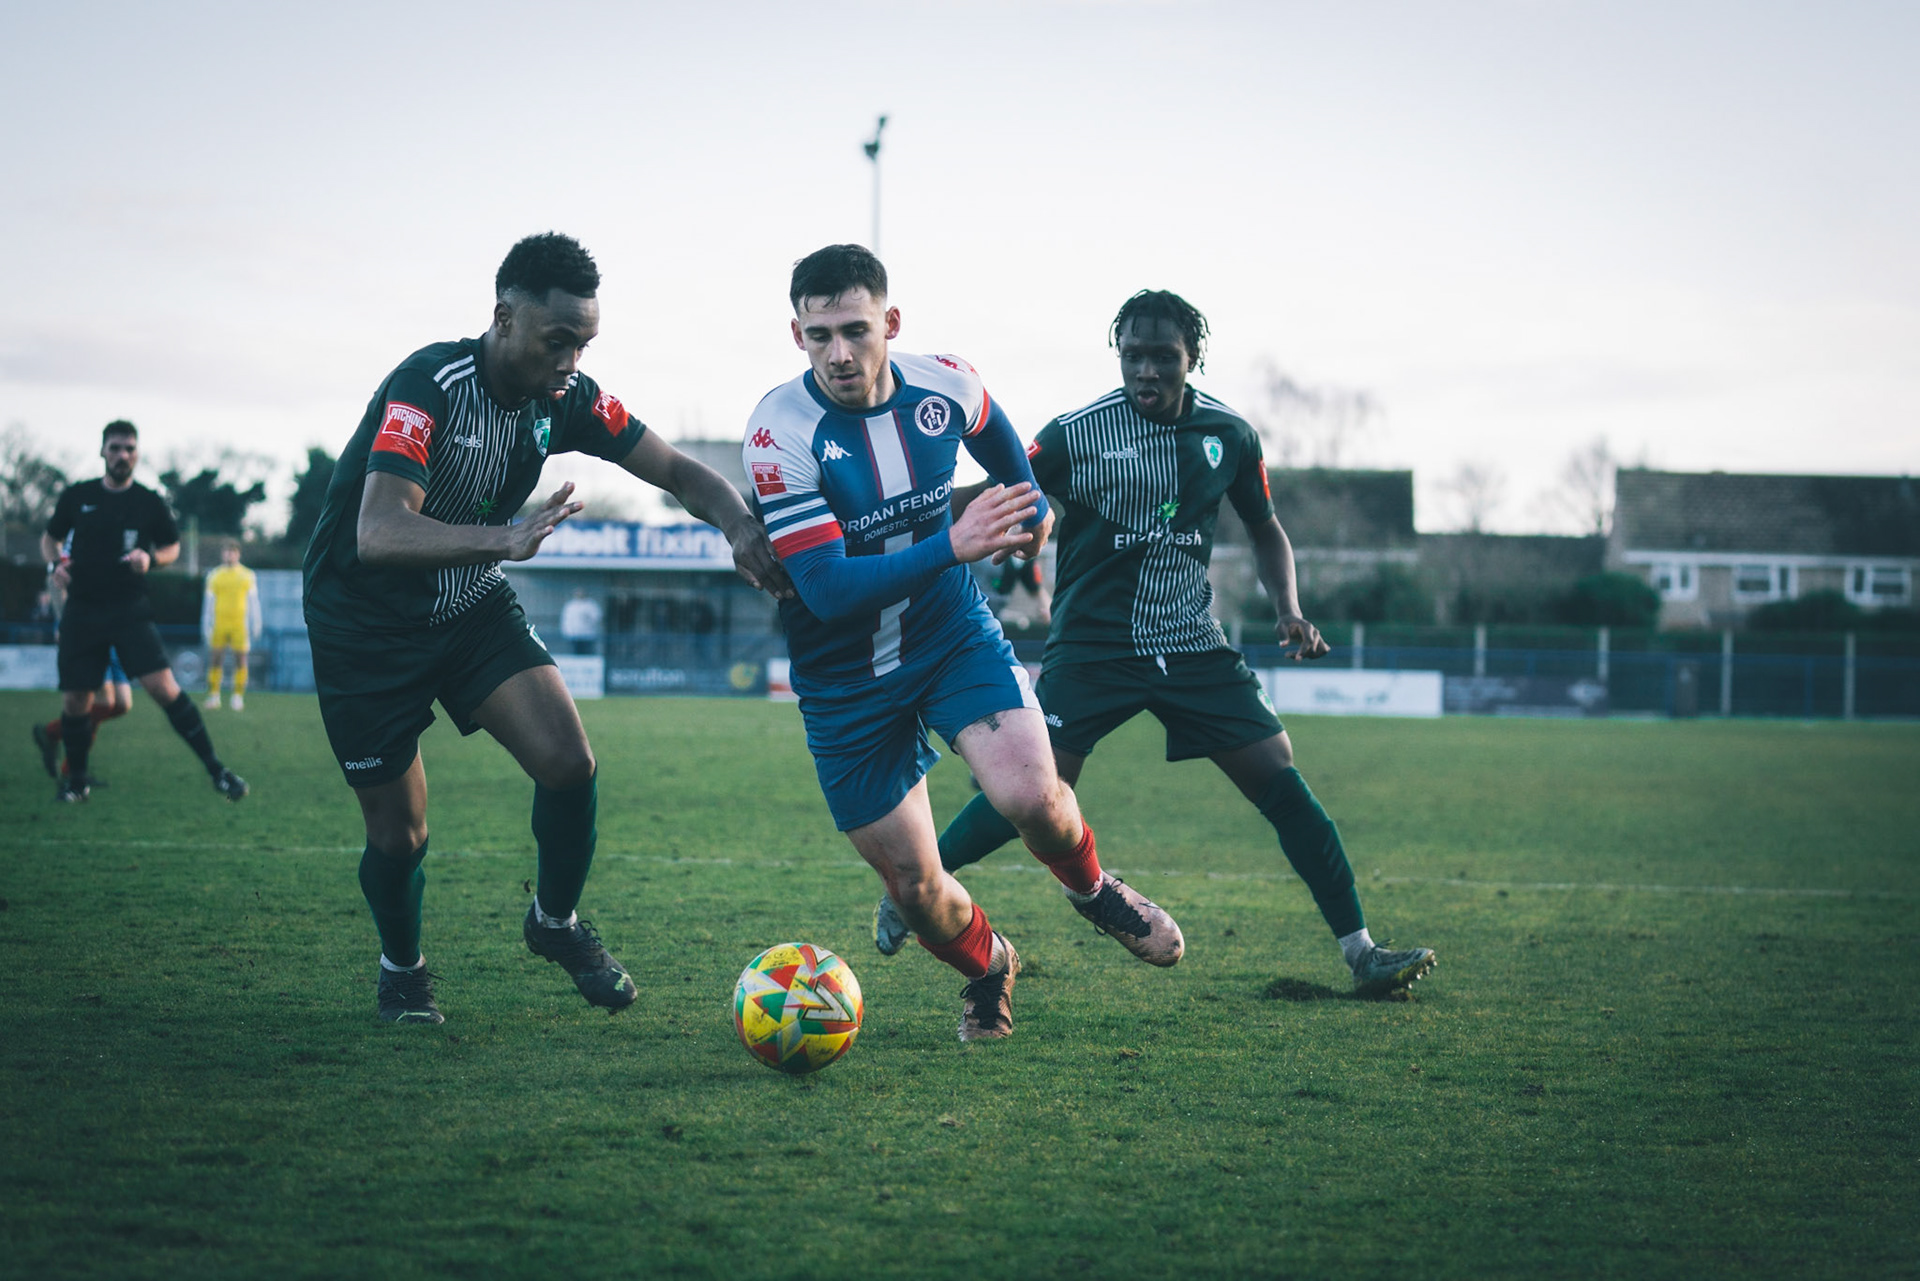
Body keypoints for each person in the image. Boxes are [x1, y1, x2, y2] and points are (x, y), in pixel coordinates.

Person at [303, 232, 790, 1026]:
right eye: (557, 340)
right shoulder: (427, 386)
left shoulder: (566, 399)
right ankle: (403, 969)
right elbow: (378, 531)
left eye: (584, 343)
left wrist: (737, 525)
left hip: (467, 604)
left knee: (569, 762)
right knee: (400, 836)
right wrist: (505, 539)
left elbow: (674, 468)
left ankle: (554, 924)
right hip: (367, 628)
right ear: (504, 320)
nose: (571, 360)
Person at [891, 290, 1436, 998]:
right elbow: (1001, 488)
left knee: (1279, 774)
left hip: (1190, 640)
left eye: (1163, 358)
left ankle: (1362, 952)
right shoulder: (1074, 434)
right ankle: (921, 881)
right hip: (1093, 645)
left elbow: (1264, 526)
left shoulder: (1229, 435)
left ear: (1193, 359)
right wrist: (917, 528)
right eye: (1133, 357)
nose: (1146, 371)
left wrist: (1289, 608)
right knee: (1035, 789)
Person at [743, 245, 1184, 1044]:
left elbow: (1004, 448)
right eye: (818, 336)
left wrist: (1029, 514)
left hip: (950, 635)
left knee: (1033, 798)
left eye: (855, 329)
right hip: (844, 679)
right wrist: (957, 541)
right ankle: (989, 966)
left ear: (892, 323)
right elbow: (827, 591)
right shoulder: (780, 434)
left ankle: (1094, 891)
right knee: (916, 888)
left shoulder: (946, 383)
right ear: (797, 335)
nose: (838, 353)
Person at [40, 421, 248, 804]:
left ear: (137, 454)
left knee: (165, 689)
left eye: (129, 448)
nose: (122, 455)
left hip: (129, 610)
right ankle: (77, 782)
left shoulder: (149, 501)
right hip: (83, 610)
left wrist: (149, 559)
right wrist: (56, 565)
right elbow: (49, 539)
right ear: (103, 451)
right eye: (116, 447)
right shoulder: (78, 496)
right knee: (76, 701)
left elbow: (171, 547)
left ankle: (218, 771)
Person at [33, 648, 132, 785]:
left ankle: (52, 731)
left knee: (121, 705)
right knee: (103, 704)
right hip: (94, 639)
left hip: (116, 642)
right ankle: (72, 771)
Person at [202, 538, 262, 709]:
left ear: (238, 554)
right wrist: (206, 623)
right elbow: (208, 602)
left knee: (241, 660)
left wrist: (256, 622)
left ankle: (237, 696)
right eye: (226, 552)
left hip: (239, 624)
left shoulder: (247, 575)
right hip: (220, 623)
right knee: (215, 659)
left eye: (232, 552)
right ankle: (214, 695)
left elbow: (253, 601)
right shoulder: (214, 575)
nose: (229, 555)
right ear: (222, 554)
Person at [557, 588, 602, 655]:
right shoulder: (570, 605)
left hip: (588, 634)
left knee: (587, 653)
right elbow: (566, 620)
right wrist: (566, 631)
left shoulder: (591, 604)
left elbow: (597, 617)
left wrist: (587, 618)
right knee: (575, 654)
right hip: (573, 634)